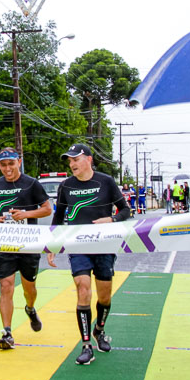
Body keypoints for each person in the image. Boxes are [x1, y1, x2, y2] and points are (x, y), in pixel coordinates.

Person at [47, 144, 132, 365]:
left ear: (89, 160)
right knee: (83, 289)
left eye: (76, 159)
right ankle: (86, 345)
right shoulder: (65, 186)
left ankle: (99, 330)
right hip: (77, 247)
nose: (72, 164)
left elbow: (125, 211)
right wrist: (52, 247)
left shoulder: (106, 181)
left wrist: (111, 219)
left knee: (104, 296)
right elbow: (58, 219)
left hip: (104, 245)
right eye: (70, 160)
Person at [0, 147, 53, 350]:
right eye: (3, 165)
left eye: (11, 164)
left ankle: (30, 309)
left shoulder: (31, 183)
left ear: (19, 162)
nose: (7, 169)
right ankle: (7, 333)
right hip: (4, 243)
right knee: (5, 286)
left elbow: (48, 209)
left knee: (28, 288)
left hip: (28, 243)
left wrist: (26, 215)